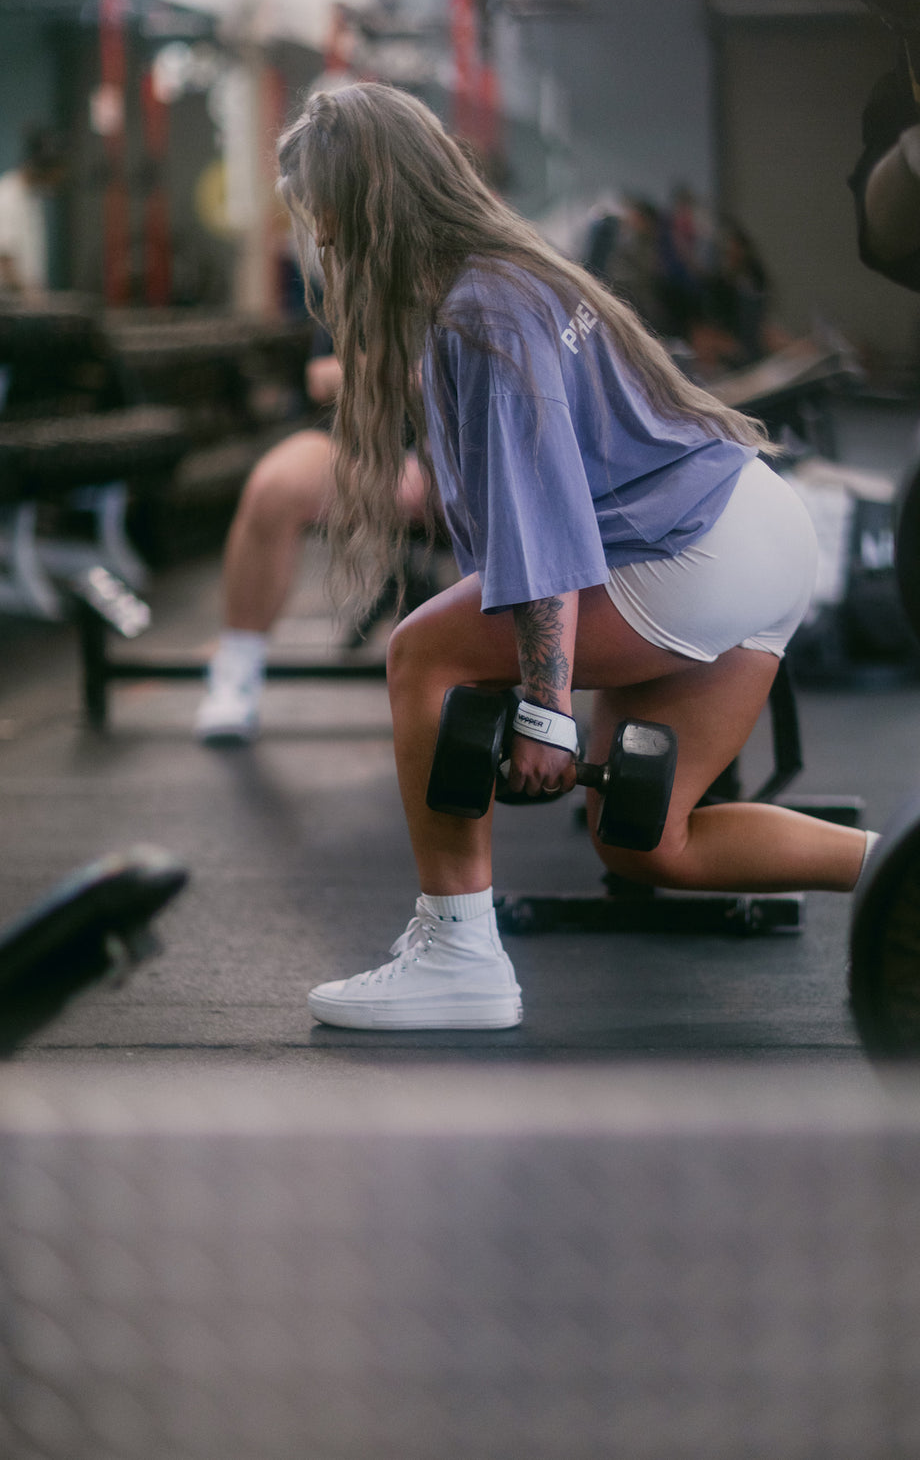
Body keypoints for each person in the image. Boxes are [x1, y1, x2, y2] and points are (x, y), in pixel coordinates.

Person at [274, 82, 879, 1032]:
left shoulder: (483, 310)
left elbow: (541, 526)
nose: (322, 240)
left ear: (367, 200)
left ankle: (460, 954)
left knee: (423, 653)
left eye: (322, 212)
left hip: (692, 549)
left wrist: (547, 714)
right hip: (756, 526)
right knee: (647, 842)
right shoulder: (511, 273)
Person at [194, 353, 430, 743]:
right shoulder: (367, 295)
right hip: (387, 466)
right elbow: (322, 376)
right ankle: (235, 672)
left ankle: (537, 690)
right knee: (280, 482)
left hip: (477, 460)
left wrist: (387, 374)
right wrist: (422, 374)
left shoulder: (493, 297)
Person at [0, 128, 65, 297]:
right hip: (9, 305)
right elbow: (4, 259)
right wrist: (30, 295)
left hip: (26, 303)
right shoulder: (6, 196)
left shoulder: (33, 200)